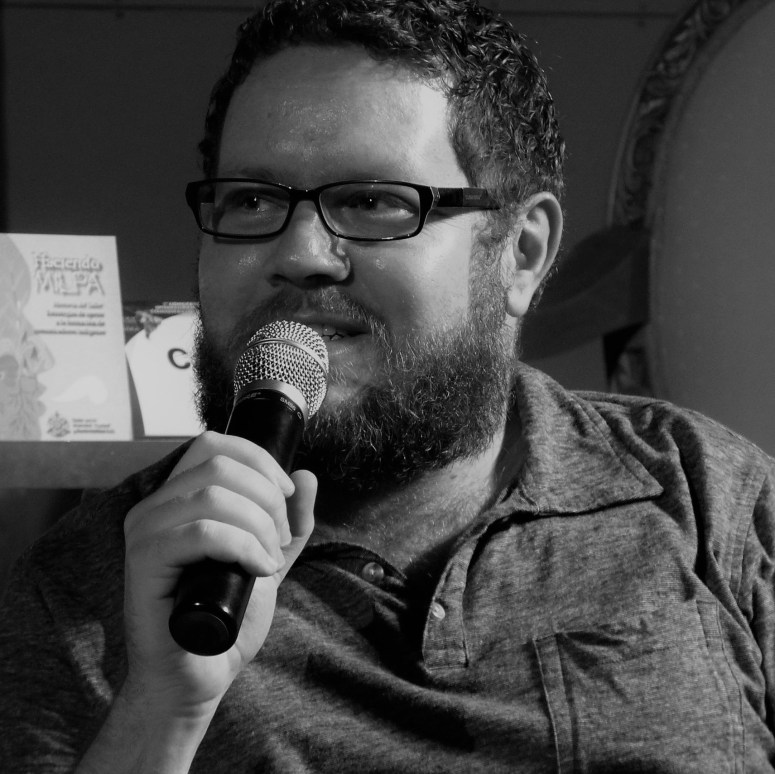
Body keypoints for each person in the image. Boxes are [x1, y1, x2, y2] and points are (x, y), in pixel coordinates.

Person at [2, 0, 775, 771]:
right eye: (252, 200)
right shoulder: (83, 589)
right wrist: (162, 707)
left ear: (520, 253)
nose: (301, 254)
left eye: (372, 202)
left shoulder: (710, 499)